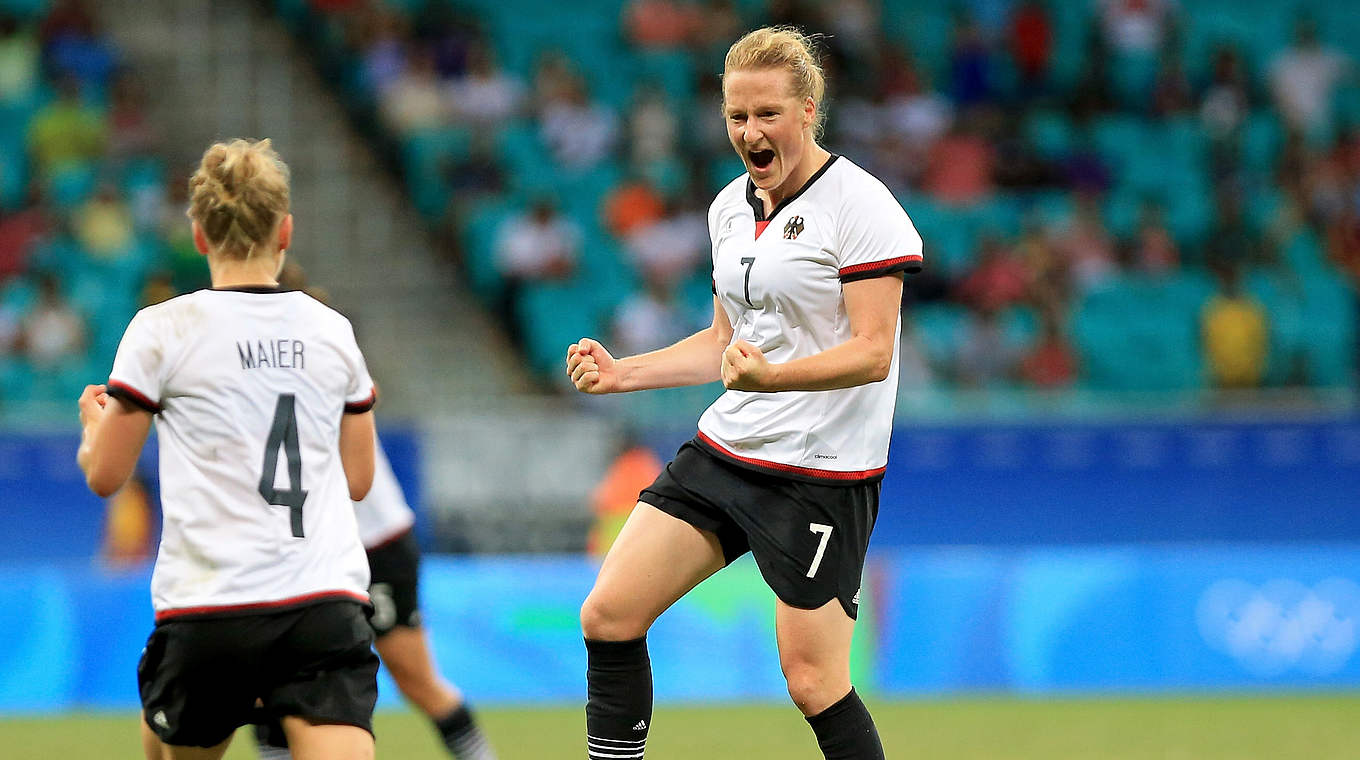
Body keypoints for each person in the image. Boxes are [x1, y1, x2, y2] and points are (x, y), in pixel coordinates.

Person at [565, 26, 922, 760]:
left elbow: (873, 352)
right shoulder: (729, 207)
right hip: (730, 448)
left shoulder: (861, 206)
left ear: (809, 108)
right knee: (608, 615)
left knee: (813, 679)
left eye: (767, 114)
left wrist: (771, 377)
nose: (750, 132)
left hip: (821, 472)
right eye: (736, 116)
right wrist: (622, 372)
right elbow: (722, 342)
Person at [75, 138, 380, 760]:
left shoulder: (162, 330)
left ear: (198, 235)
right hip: (322, 601)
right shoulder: (332, 331)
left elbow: (106, 476)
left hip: (211, 606)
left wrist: (91, 430)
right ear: (285, 230)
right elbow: (359, 479)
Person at [252, 266, 497, 760]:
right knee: (267, 691)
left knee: (416, 681)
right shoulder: (250, 367)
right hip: (300, 548)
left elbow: (360, 404)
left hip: (373, 542)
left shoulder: (326, 352)